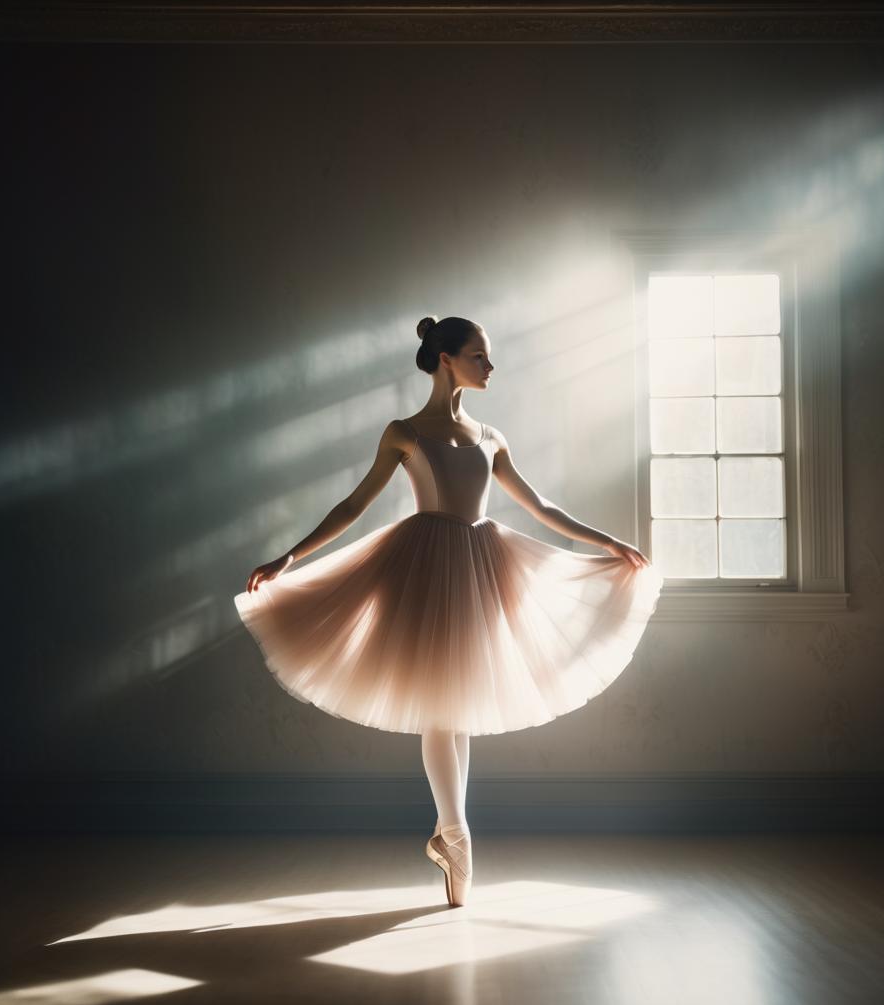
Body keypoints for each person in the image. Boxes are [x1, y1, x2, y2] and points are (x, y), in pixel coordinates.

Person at [234, 315, 663, 907]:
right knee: (439, 706)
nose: (490, 366)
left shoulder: (491, 436)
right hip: (426, 567)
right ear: (446, 360)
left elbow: (538, 505)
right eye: (479, 356)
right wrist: (288, 557)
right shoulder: (404, 432)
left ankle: (451, 837)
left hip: (483, 565)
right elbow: (355, 504)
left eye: (487, 357)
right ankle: (457, 836)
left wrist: (605, 543)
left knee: (457, 706)